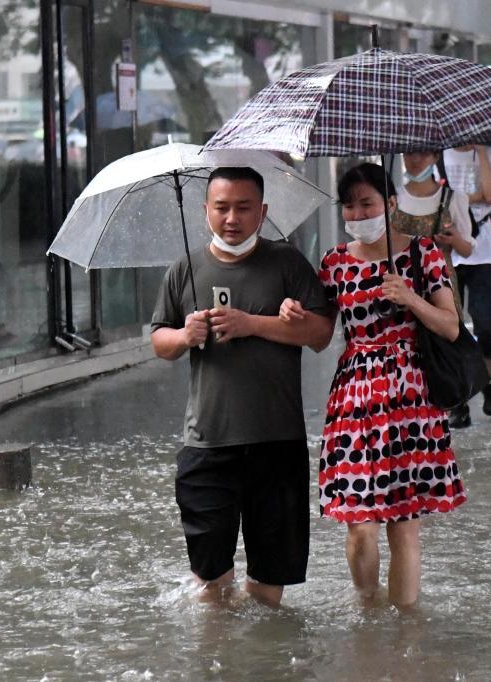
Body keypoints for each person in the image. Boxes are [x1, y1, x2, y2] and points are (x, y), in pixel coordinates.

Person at [151, 166, 333, 607]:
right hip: (208, 442)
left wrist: (252, 324)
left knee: (269, 586)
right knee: (210, 582)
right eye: (222, 207)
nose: (232, 218)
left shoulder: (287, 263)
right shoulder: (185, 270)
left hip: (277, 440)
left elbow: (321, 334)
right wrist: (185, 336)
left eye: (244, 208)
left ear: (262, 211)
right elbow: (160, 341)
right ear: (205, 211)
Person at [301, 162, 466, 608]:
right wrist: (293, 317)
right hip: (355, 397)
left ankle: (406, 632)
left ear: (390, 204)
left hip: (412, 397)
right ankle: (367, 608)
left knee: (405, 523)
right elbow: (319, 336)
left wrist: (409, 297)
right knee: (358, 523)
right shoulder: (334, 263)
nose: (358, 213)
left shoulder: (423, 253)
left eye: (367, 203)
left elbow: (451, 326)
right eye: (350, 205)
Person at [443, 144, 491, 427]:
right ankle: (458, 399)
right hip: (446, 253)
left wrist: (481, 152)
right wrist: (475, 196)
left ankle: (489, 380)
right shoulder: (438, 155)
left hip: (482, 252)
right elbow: (435, 203)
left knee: (486, 326)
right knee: (451, 329)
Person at [393, 149, 474, 312]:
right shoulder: (393, 198)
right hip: (401, 283)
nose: (415, 159)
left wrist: (454, 240)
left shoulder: (453, 198)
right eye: (409, 153)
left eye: (423, 152)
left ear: (436, 156)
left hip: (441, 285)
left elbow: (467, 250)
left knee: (442, 333)